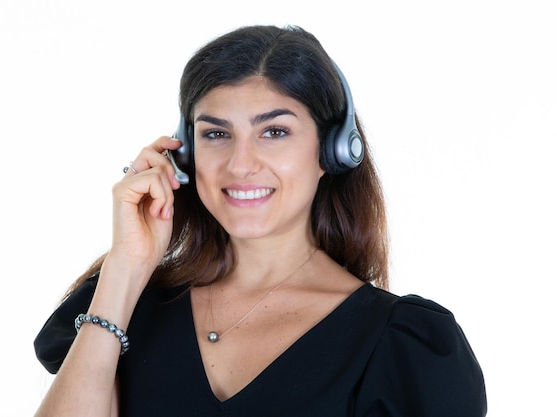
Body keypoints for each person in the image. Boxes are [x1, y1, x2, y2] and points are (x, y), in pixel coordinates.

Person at [33, 25, 487, 416]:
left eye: (274, 132)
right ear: (185, 153)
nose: (240, 164)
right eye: (215, 134)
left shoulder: (402, 346)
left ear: (332, 151)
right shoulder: (121, 309)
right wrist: (126, 267)